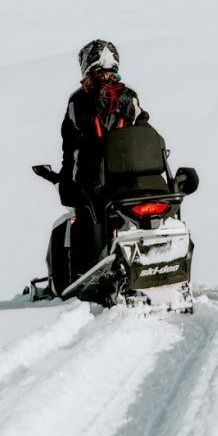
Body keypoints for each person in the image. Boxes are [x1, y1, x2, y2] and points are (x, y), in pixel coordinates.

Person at [58, 40, 149, 277]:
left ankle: (81, 278)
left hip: (95, 182)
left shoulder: (78, 101)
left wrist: (67, 182)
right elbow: (142, 129)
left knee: (82, 224)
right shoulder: (128, 96)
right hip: (131, 175)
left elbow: (71, 148)